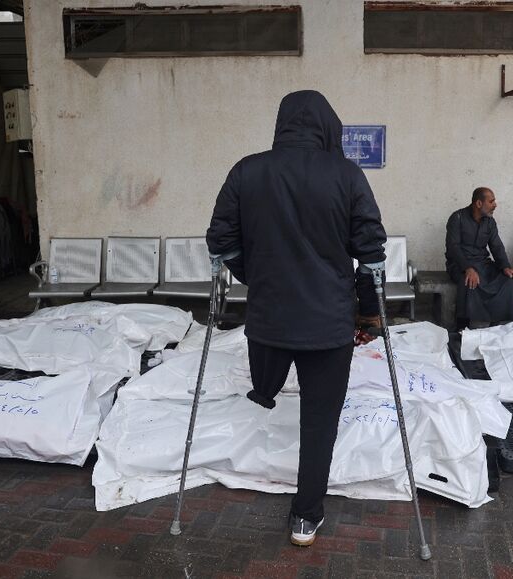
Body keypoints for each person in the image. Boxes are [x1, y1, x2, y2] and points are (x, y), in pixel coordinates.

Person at [206, 90, 386, 548]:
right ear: (329, 127)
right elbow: (370, 251)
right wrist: (367, 310)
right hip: (329, 323)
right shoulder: (346, 174)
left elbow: (221, 239)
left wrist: (257, 276)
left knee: (269, 392)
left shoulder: (247, 170)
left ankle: (264, 403)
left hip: (269, 321)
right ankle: (305, 517)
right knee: (320, 420)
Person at [445, 187, 513, 328]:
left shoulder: (490, 222)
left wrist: (506, 267)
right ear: (478, 203)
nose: (495, 205)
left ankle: (496, 324)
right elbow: (453, 248)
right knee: (469, 281)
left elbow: (497, 246)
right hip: (460, 264)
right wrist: (468, 268)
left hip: (483, 264)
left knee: (506, 280)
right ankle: (462, 327)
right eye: (491, 201)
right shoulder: (457, 218)